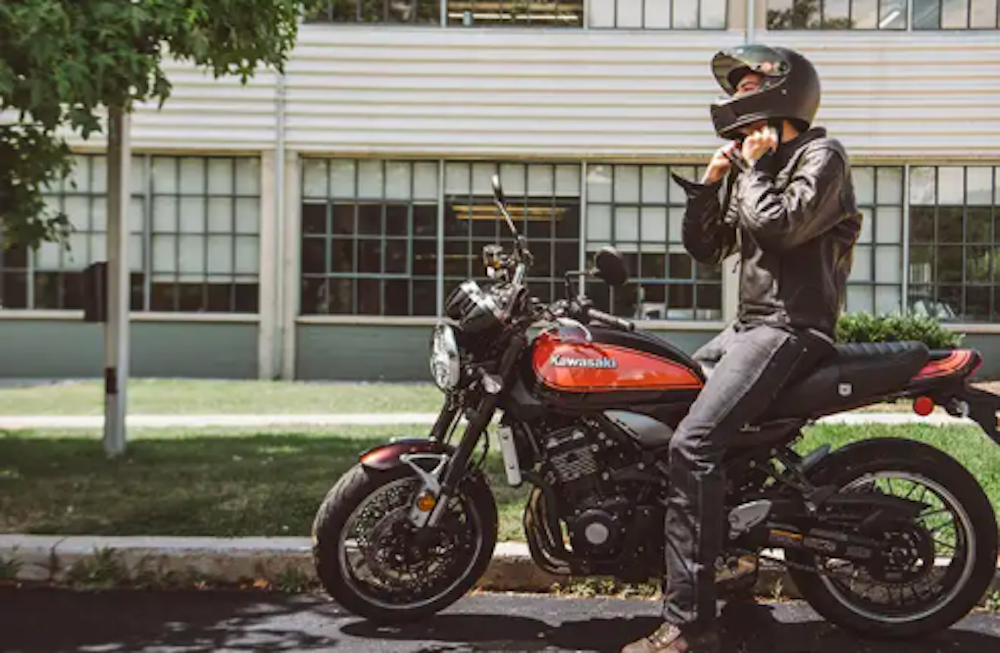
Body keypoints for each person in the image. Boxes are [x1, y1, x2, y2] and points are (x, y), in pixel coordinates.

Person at [623, 45, 862, 653]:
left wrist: (751, 171)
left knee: (694, 444)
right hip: (747, 327)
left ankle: (691, 624)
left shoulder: (820, 156)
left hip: (789, 328)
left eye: (750, 84)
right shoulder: (762, 164)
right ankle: (727, 558)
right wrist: (709, 185)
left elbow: (781, 225)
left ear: (783, 94)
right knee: (665, 411)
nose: (738, 96)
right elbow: (709, 249)